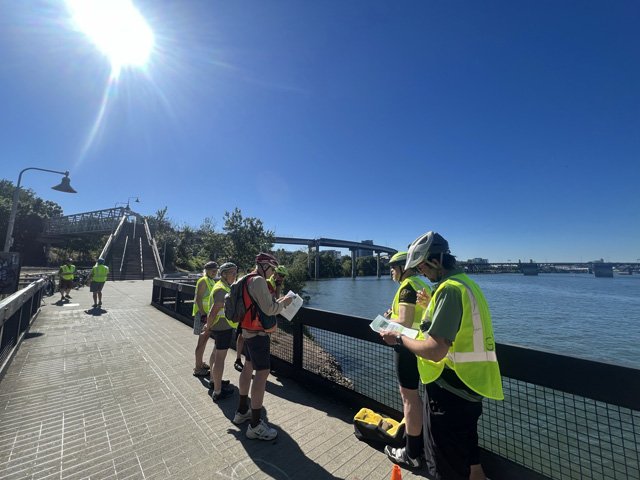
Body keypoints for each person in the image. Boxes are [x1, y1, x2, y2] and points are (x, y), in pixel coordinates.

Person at [381, 232, 504, 480]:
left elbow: (435, 350)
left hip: (449, 390)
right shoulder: (466, 284)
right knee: (468, 453)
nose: (421, 273)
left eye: (422, 267)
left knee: (444, 466)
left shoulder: (449, 290)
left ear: (435, 261)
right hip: (471, 384)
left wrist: (400, 337)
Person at [232, 252, 293, 441]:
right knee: (262, 374)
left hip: (247, 331)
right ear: (265, 266)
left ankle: (242, 411)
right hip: (258, 334)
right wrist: (285, 303)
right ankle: (256, 425)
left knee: (248, 366)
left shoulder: (246, 278)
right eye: (272, 268)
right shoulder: (258, 281)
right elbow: (270, 309)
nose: (274, 272)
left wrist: (278, 301)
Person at [383, 251, 430, 469]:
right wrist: (392, 313)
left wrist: (385, 322)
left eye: (393, 267)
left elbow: (405, 322)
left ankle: (411, 453)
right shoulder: (421, 283)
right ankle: (421, 446)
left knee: (409, 398)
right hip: (423, 348)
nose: (391, 271)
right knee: (417, 398)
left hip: (408, 348)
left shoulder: (408, 285)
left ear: (404, 267)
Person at [206, 262, 238, 401]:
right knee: (220, 359)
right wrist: (207, 326)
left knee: (215, 353)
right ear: (224, 274)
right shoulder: (221, 290)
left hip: (219, 327)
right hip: (222, 328)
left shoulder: (224, 286)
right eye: (232, 273)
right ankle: (218, 391)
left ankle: (214, 379)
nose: (235, 276)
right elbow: (214, 311)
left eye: (236, 273)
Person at [192, 261, 218, 377]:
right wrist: (203, 315)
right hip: (202, 315)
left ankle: (200, 363)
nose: (215, 272)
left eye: (216, 270)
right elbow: (198, 299)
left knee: (205, 339)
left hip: (207, 315)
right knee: (202, 341)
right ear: (206, 270)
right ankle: (197, 369)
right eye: (212, 270)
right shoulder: (203, 280)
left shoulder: (211, 281)